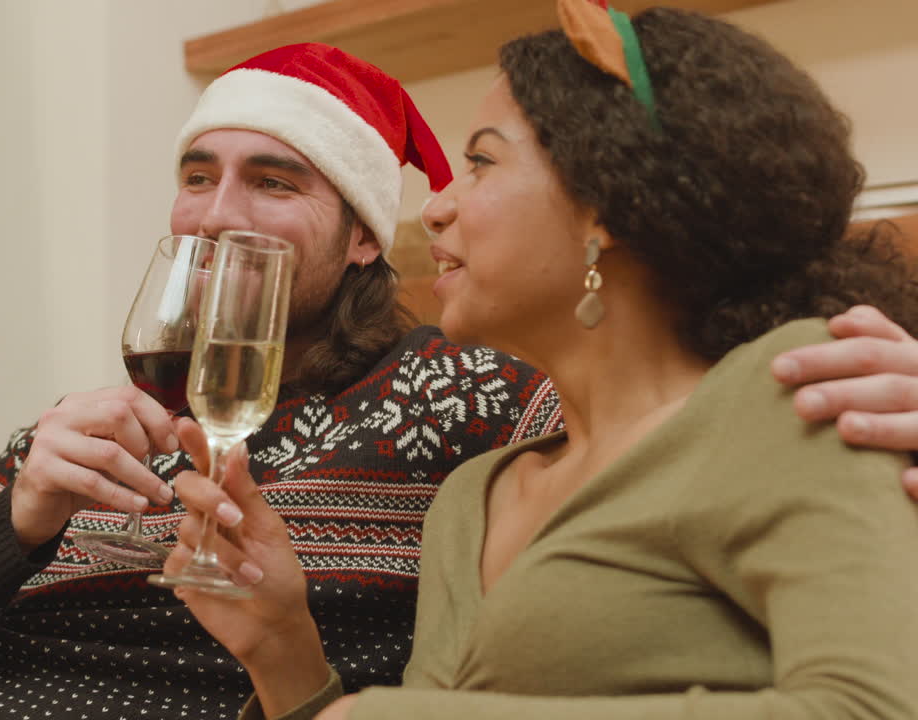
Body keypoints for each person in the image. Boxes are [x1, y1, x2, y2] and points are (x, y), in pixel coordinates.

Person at [0, 42, 918, 720]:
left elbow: (676, 433)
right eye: (196, 176)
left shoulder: (469, 397)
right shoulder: (84, 430)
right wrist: (21, 515)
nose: (218, 215)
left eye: (273, 181)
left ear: (359, 241)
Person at [167, 9, 918, 720]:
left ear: (607, 204)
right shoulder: (474, 497)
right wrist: (282, 650)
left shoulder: (797, 387)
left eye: (482, 162)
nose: (435, 207)